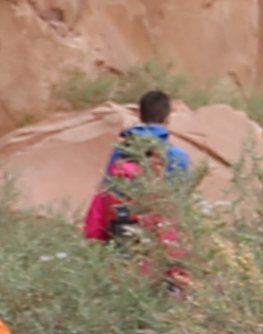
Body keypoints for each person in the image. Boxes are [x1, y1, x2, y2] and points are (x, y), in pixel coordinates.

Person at [79, 88, 198, 287]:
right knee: (165, 288)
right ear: (168, 118)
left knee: (124, 284)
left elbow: (108, 188)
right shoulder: (178, 157)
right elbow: (181, 201)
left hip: (123, 228)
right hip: (161, 233)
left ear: (139, 115)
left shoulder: (121, 151)